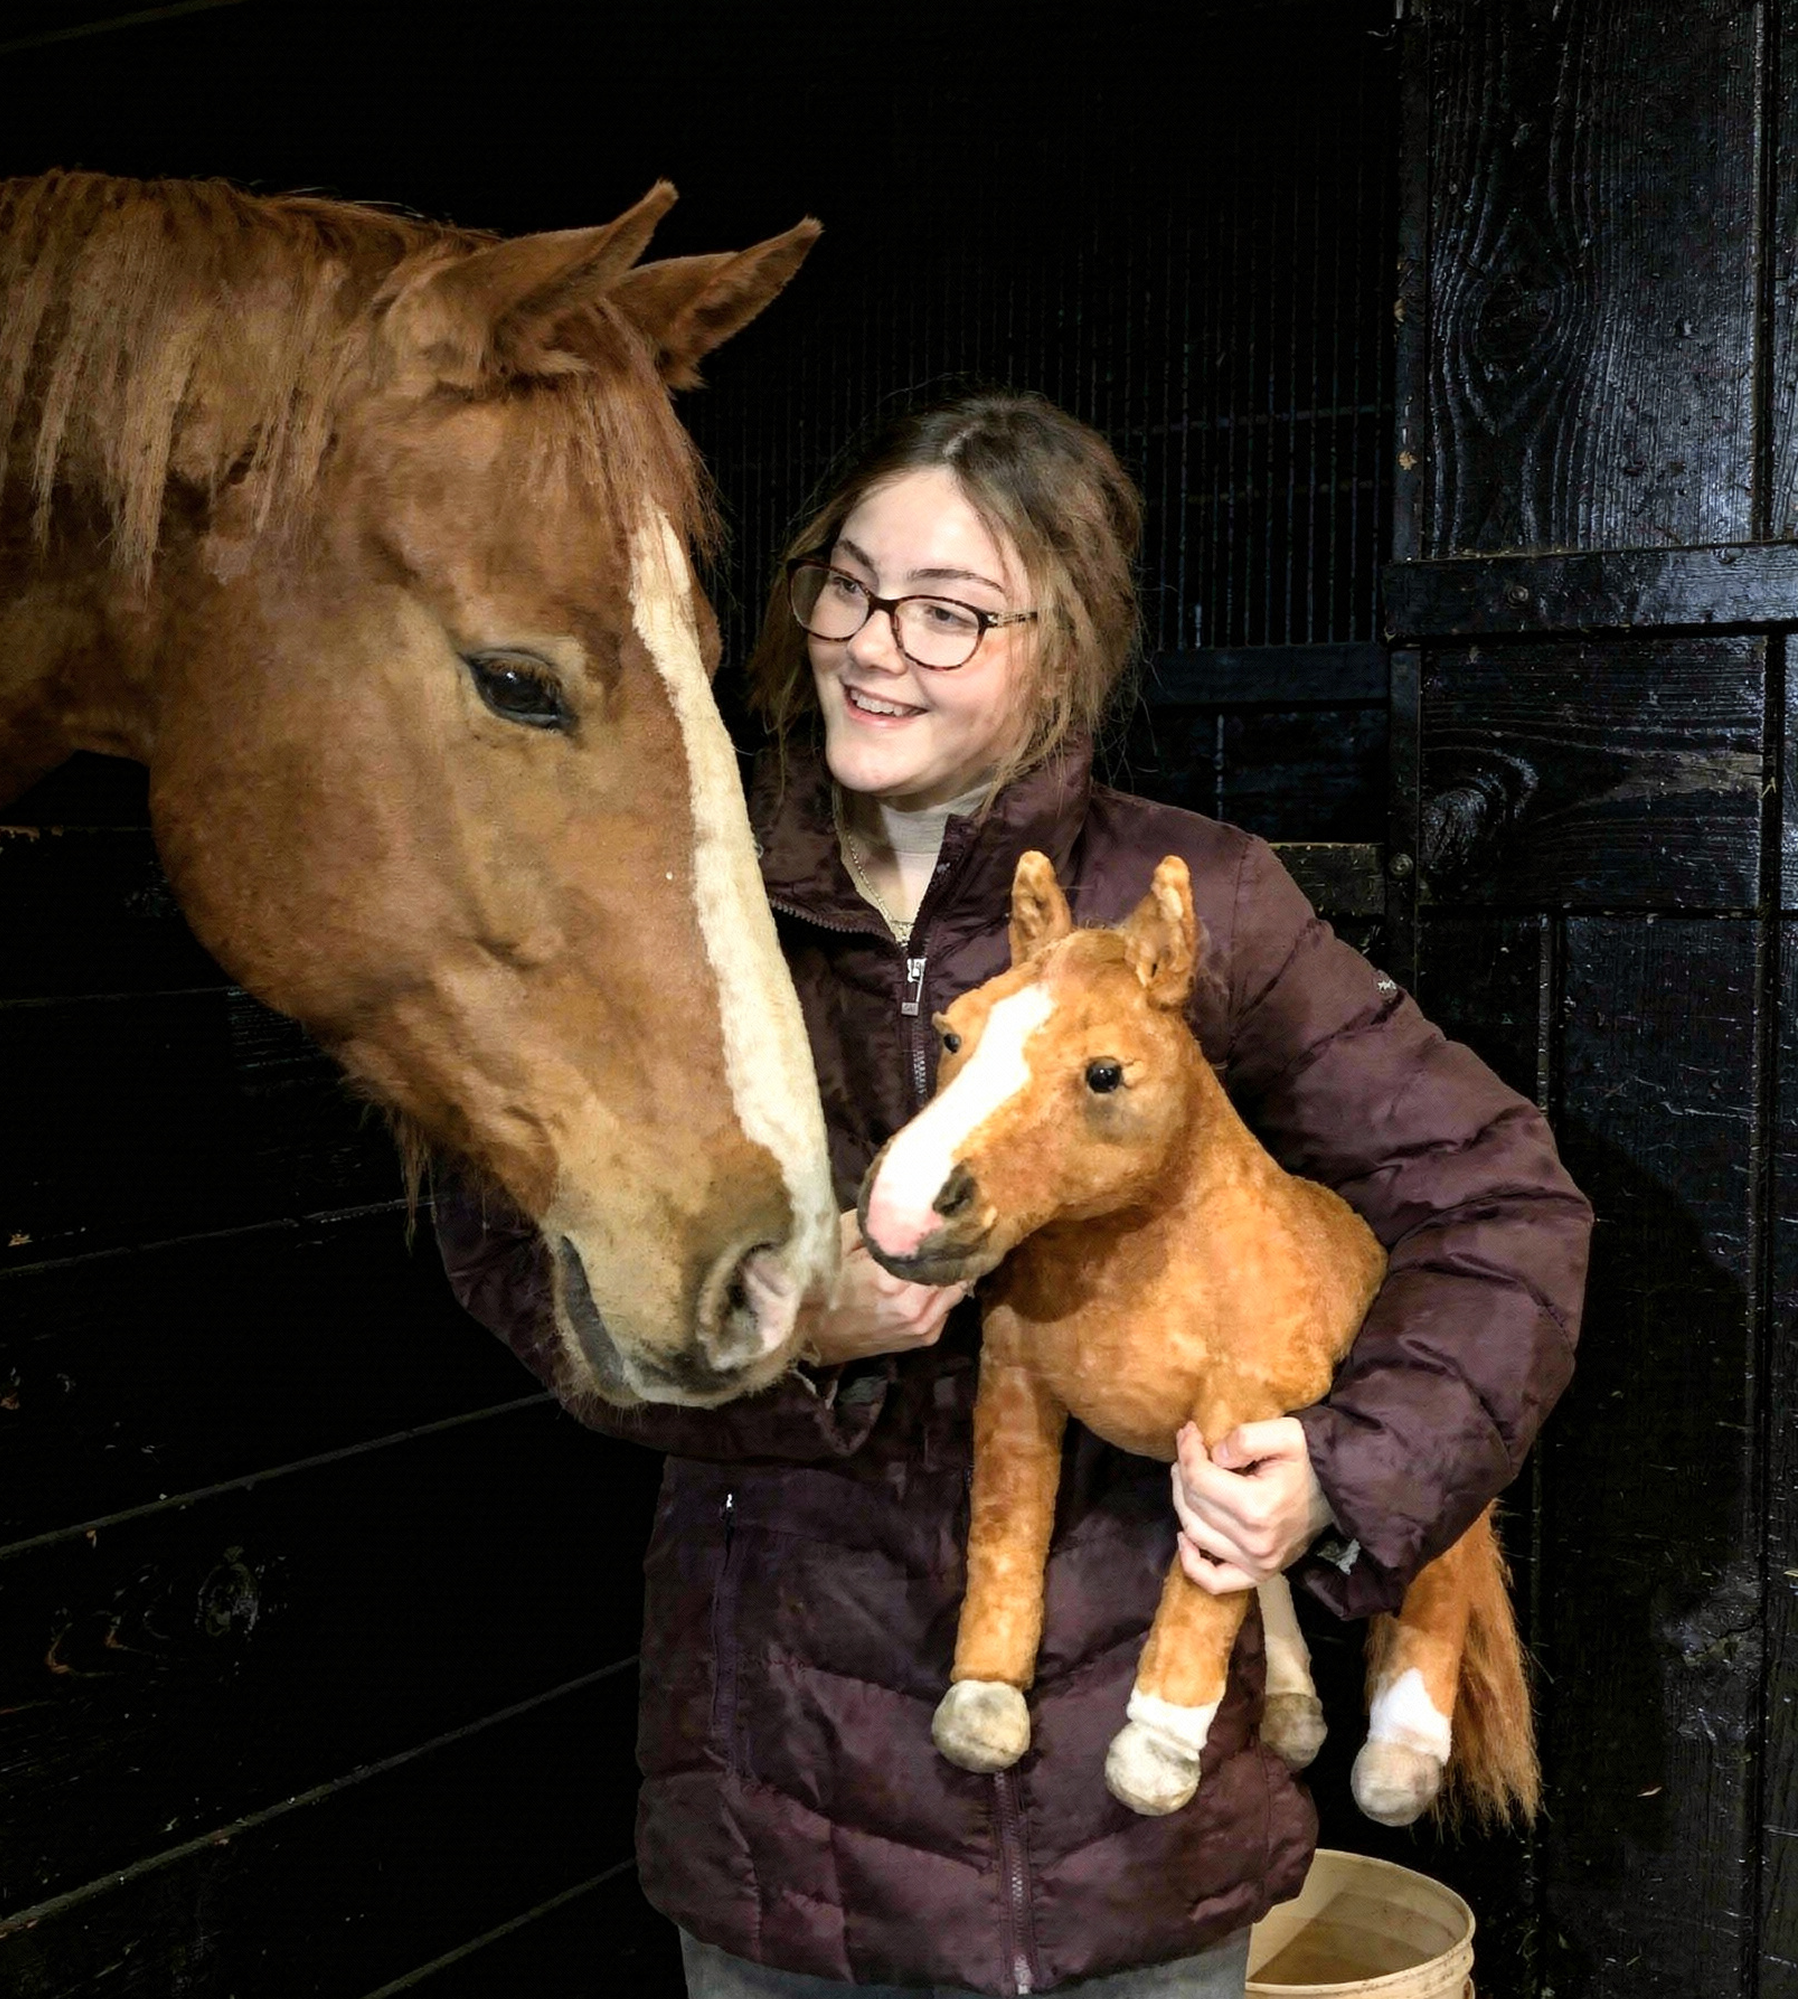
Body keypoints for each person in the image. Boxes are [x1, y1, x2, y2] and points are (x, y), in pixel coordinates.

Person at [435, 390, 1590, 1997]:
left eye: (949, 613)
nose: (870, 645)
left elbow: (1502, 1201)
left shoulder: (1203, 906)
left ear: (1065, 650)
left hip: (1139, 1820)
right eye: (847, 585)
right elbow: (504, 1227)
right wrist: (785, 1327)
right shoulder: (683, 891)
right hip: (786, 1806)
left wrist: (1341, 1466)